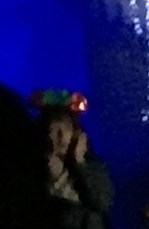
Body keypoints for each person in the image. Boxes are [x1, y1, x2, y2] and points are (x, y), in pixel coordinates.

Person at [35, 92, 114, 229]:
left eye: (65, 129)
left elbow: (103, 202)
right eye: (54, 130)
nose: (60, 137)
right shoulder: (31, 169)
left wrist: (80, 164)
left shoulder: (93, 168)